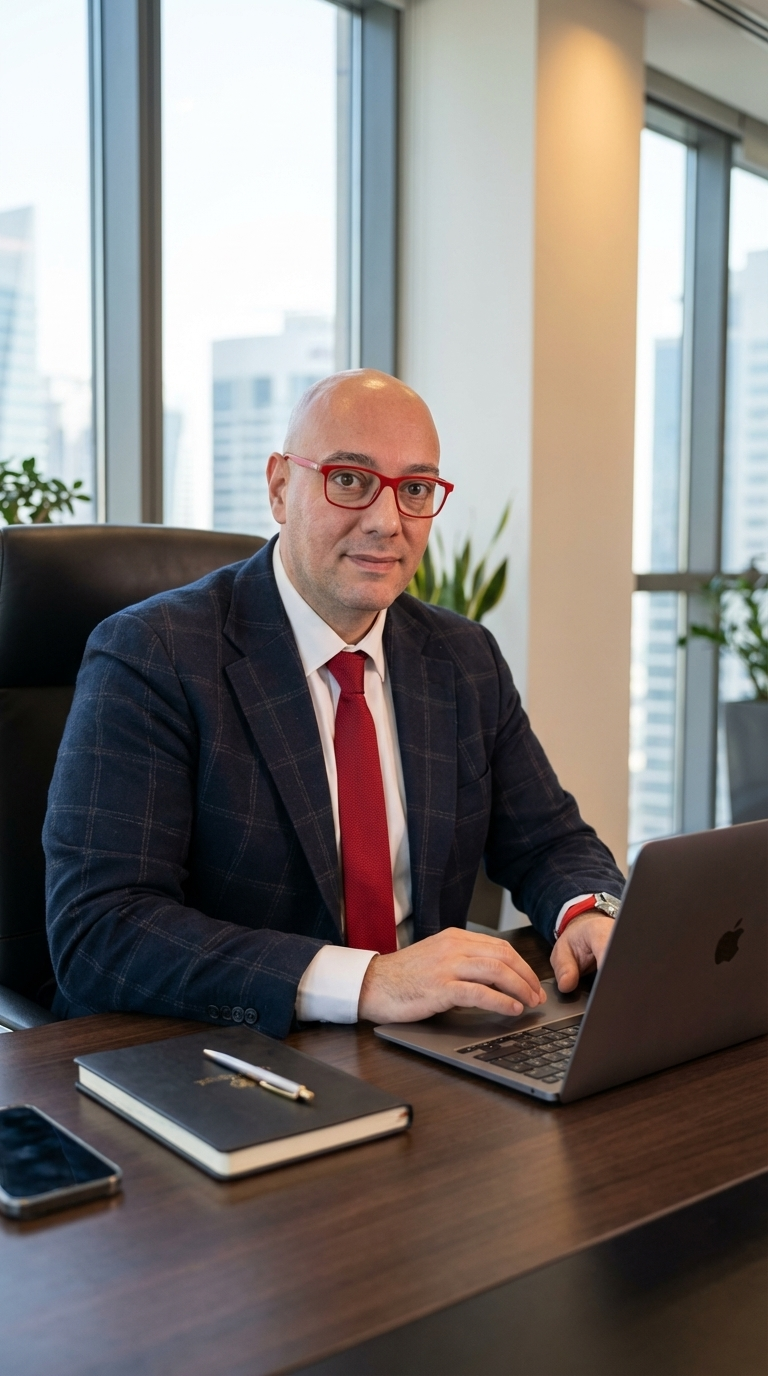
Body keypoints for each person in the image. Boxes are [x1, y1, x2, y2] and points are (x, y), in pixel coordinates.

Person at [44, 370, 624, 1038]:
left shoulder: (463, 658)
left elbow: (547, 839)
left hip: (422, 1047)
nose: (387, 522)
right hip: (222, 1058)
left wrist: (587, 913)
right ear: (280, 487)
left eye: (414, 489)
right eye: (349, 480)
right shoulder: (154, 653)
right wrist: (368, 982)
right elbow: (101, 929)